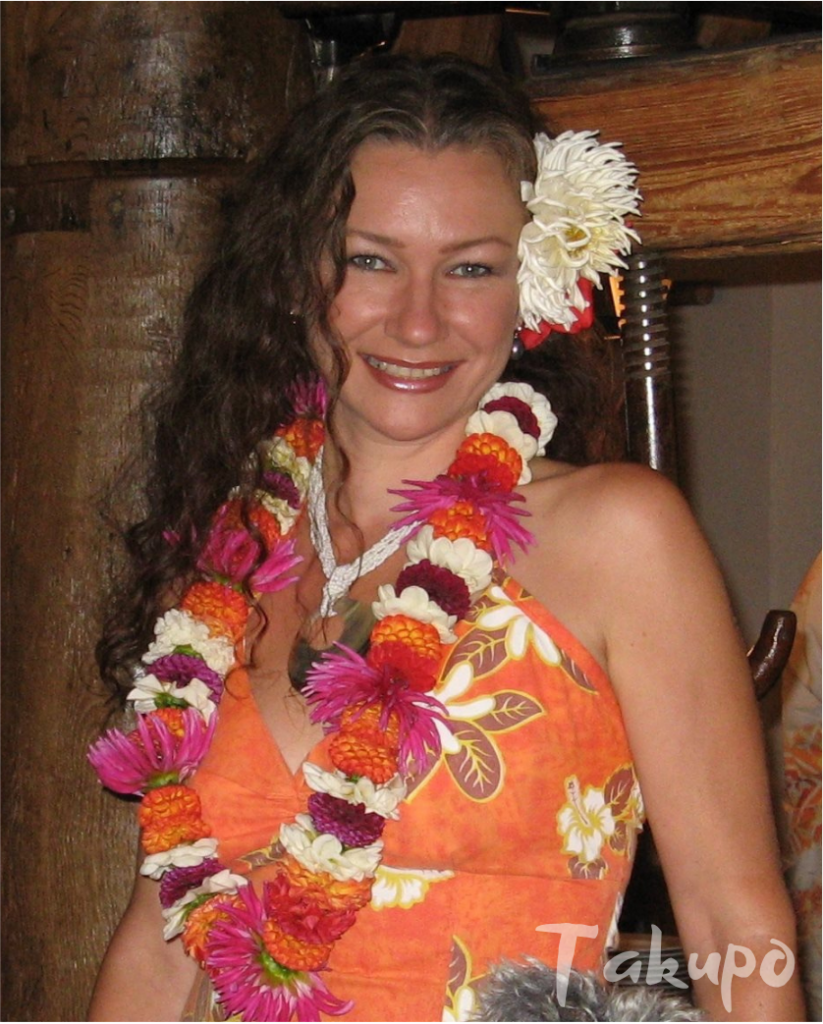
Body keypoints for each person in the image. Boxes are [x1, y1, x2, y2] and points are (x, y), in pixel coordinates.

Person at [88, 55, 802, 1022]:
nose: (417, 321)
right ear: (298, 272)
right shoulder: (233, 547)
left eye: (471, 267)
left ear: (533, 287)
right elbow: (159, 943)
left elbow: (732, 925)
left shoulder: (617, 536)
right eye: (371, 260)